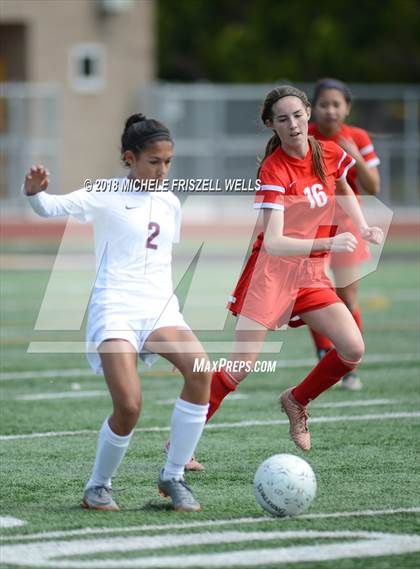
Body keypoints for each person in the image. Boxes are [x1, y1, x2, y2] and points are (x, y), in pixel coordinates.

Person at [23, 114, 211, 512]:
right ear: (130, 158)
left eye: (168, 162)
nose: (162, 171)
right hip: (115, 308)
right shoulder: (103, 193)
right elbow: (51, 207)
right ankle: (98, 487)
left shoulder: (170, 202)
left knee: (200, 370)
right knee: (129, 406)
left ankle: (173, 475)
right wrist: (36, 195)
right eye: (154, 162)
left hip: (159, 308)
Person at [205, 85, 383, 452]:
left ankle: (297, 400)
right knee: (239, 368)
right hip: (270, 276)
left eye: (298, 116)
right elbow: (274, 241)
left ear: (308, 115)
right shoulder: (274, 170)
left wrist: (362, 226)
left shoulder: (327, 151)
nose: (293, 124)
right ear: (271, 125)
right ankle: (182, 444)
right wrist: (328, 243)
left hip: (310, 274)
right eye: (283, 119)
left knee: (352, 349)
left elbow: (342, 187)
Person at [307, 78, 381, 390]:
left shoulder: (357, 137)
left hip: (347, 226)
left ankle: (349, 365)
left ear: (347, 109)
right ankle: (326, 352)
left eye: (336, 104)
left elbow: (373, 186)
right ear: (313, 109)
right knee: (310, 294)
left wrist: (357, 157)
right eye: (324, 104)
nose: (330, 111)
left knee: (347, 296)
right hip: (310, 226)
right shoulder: (304, 135)